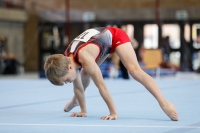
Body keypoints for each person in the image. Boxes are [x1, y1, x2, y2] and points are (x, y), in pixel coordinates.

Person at [44, 27, 178, 121]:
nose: (68, 82)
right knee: (83, 75)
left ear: (69, 67)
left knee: (134, 71)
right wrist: (83, 112)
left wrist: (113, 113)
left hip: (115, 36)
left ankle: (165, 103)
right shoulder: (67, 59)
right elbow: (78, 86)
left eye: (66, 80)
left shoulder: (85, 59)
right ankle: (77, 102)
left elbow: (102, 86)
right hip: (100, 44)